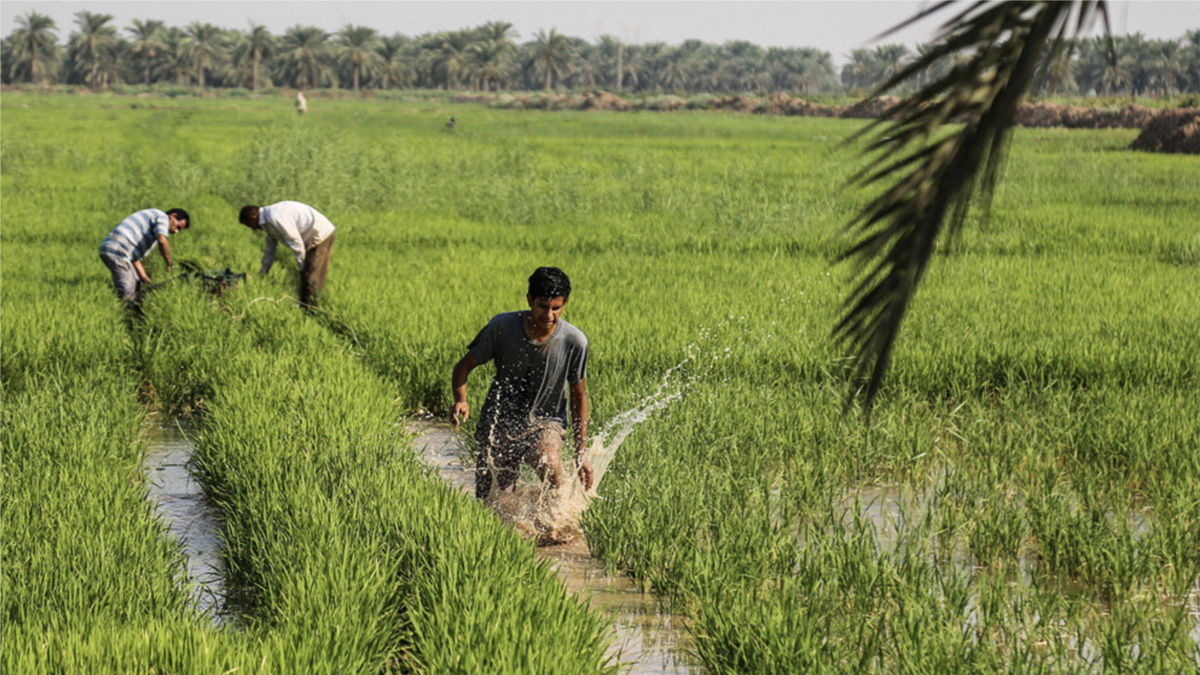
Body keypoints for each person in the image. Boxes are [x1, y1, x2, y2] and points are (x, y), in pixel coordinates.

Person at [452, 267, 593, 506]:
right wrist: (461, 400)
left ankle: (556, 529)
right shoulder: (503, 327)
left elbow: (579, 396)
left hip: (546, 422)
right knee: (495, 499)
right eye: (542, 306)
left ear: (565, 304)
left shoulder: (574, 341)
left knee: (549, 465)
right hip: (499, 420)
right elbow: (463, 367)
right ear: (530, 300)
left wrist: (581, 451)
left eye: (555, 308)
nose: (548, 314)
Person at [238, 201, 336, 309]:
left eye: (250, 225)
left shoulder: (274, 217)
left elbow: (295, 241)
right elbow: (270, 249)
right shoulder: (267, 222)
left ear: (253, 217)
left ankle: (312, 309)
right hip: (310, 236)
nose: (253, 228)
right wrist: (263, 272)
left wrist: (302, 265)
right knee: (307, 273)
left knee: (311, 274)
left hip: (320, 234)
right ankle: (304, 305)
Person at [98, 208, 190, 307]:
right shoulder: (162, 217)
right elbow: (162, 241)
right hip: (118, 250)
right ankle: (124, 311)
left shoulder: (150, 231)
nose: (176, 231)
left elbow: (135, 259)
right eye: (178, 227)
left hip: (119, 251)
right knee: (128, 293)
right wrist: (169, 263)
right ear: (173, 216)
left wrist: (145, 279)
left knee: (137, 284)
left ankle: (132, 308)